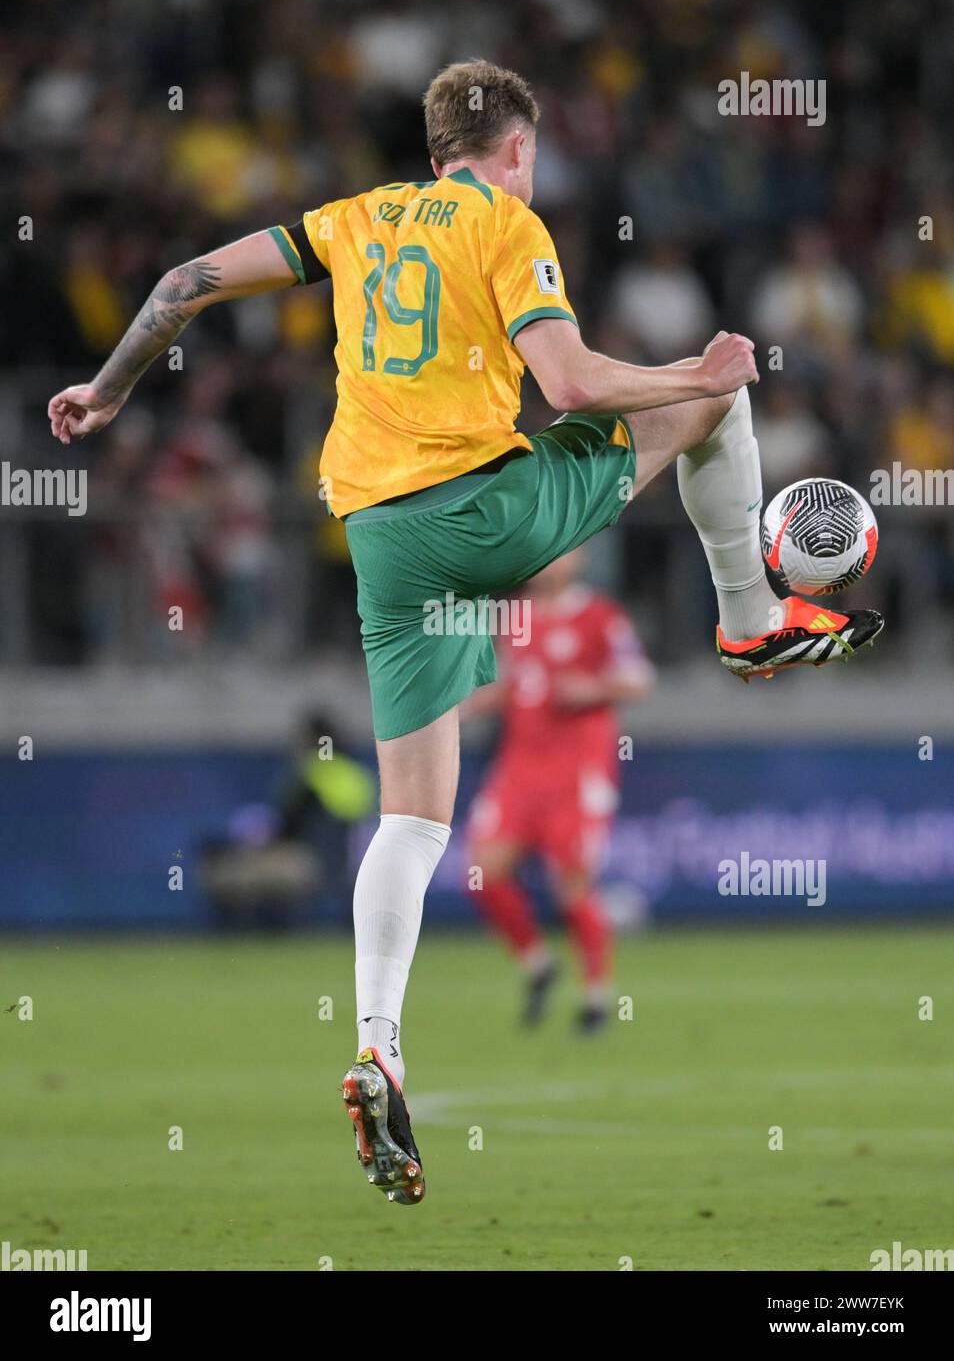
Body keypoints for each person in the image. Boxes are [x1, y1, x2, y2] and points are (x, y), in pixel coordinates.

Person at [48, 59, 883, 1208]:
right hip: (483, 507)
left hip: (380, 539)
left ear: (434, 144)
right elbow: (573, 381)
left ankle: (379, 1039)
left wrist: (106, 389)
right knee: (717, 399)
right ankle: (748, 621)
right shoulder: (506, 218)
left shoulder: (350, 218)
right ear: (517, 148)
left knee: (413, 816)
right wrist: (695, 369)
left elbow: (186, 278)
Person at [466, 550, 655, 1032]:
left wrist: (593, 688)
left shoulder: (599, 616)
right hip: (520, 767)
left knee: (571, 882)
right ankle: (537, 963)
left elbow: (639, 679)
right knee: (483, 872)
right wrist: (464, 709)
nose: (547, 562)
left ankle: (595, 995)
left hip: (577, 771)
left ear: (579, 559)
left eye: (560, 552)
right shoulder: (514, 617)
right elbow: (515, 684)